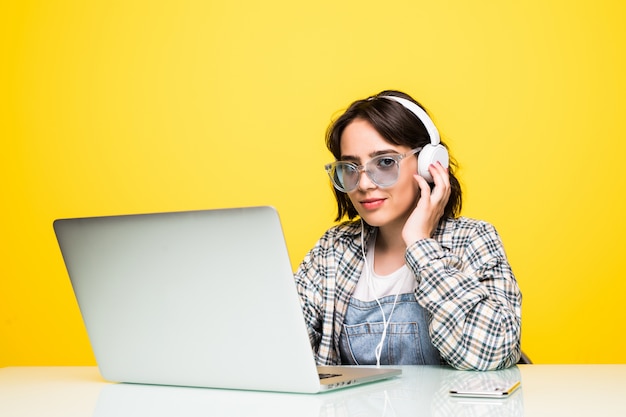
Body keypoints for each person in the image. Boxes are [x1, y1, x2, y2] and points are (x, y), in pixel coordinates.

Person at [294, 90, 522, 371]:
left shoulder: (472, 240)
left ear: (430, 165)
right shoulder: (333, 250)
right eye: (351, 167)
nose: (363, 184)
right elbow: (283, 345)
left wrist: (420, 245)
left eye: (385, 162)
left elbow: (492, 351)